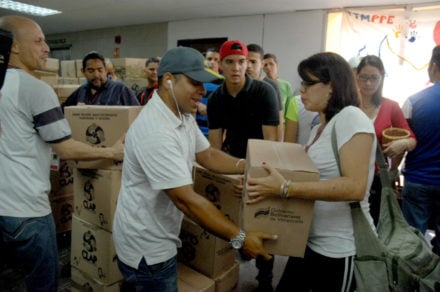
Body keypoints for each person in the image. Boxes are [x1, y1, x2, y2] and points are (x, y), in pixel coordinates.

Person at [112, 46, 276, 291]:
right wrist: (240, 238)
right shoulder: (156, 131)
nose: (203, 91)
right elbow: (186, 200)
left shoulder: (182, 115)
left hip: (158, 234)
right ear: (168, 81)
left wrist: (248, 167)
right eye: (195, 83)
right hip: (148, 249)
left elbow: (208, 155)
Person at [0, 15, 124, 292]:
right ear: (15, 47)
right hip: (26, 209)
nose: (47, 48)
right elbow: (65, 148)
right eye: (39, 40)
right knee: (43, 281)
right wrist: (112, 151)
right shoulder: (35, 88)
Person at [246, 52, 377, 292]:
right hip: (310, 242)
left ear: (332, 86)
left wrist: (286, 188)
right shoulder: (323, 126)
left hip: (339, 249)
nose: (301, 90)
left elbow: (355, 187)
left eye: (308, 83)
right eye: (301, 83)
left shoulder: (351, 118)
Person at [356, 55, 416, 226]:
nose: (368, 83)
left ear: (381, 78)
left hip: (376, 178)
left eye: (374, 78)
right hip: (348, 173)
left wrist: (401, 144)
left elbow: (411, 139)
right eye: (364, 77)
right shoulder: (347, 104)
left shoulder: (391, 107)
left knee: (374, 224)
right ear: (356, 76)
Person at [208, 39, 279, 160]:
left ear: (246, 64)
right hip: (230, 160)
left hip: (260, 161)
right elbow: (215, 146)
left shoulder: (265, 92)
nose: (236, 68)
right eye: (229, 62)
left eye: (241, 62)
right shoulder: (215, 99)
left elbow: (270, 143)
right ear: (220, 64)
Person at [401, 45, 440, 255]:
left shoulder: (414, 101)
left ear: (433, 66)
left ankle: (414, 283)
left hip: (418, 180)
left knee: (413, 241)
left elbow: (402, 139)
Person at [61, 51, 139, 109]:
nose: (96, 75)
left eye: (100, 70)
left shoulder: (120, 89)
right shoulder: (81, 92)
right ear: (83, 72)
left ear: (105, 70)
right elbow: (63, 111)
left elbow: (137, 114)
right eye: (90, 71)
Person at [247, 44, 284, 142]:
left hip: (262, 141)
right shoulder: (237, 84)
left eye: (253, 62)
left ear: (262, 64)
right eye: (245, 61)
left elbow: (279, 118)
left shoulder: (271, 86)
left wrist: (278, 145)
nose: (248, 66)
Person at [196, 48, 223, 138]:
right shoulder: (197, 80)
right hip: (196, 131)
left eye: (216, 60)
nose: (212, 62)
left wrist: (210, 110)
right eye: (209, 59)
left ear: (220, 63)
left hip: (214, 132)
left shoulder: (225, 83)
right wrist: (197, 104)